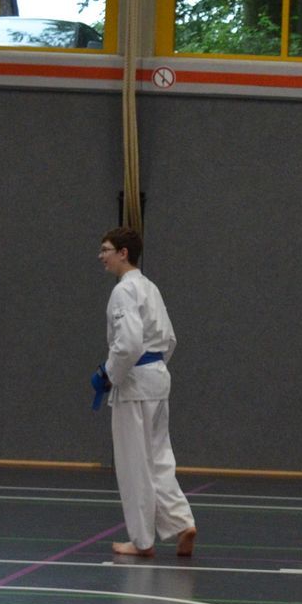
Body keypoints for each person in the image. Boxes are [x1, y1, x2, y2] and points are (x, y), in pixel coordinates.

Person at [91, 228, 195, 559]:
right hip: (157, 380)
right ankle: (182, 522)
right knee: (159, 459)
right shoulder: (150, 288)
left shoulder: (124, 291)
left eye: (105, 249)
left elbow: (130, 343)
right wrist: (153, 368)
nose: (101, 256)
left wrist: (108, 374)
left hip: (134, 384)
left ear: (124, 253)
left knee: (135, 464)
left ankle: (141, 540)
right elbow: (171, 339)